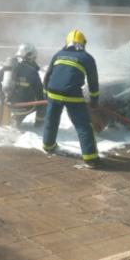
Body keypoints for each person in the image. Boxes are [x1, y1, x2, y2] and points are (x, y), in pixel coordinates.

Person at [42, 30, 101, 168]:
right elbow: (93, 82)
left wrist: (46, 95)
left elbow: (48, 76)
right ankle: (91, 158)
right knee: (83, 126)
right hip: (72, 95)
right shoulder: (87, 58)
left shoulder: (58, 54)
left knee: (51, 120)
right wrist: (94, 101)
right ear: (83, 43)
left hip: (53, 93)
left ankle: (48, 145)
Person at [0, 43, 45, 127]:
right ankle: (36, 123)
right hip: (25, 108)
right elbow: (40, 94)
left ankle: (12, 117)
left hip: (8, 104)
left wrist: (1, 95)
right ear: (30, 56)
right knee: (45, 98)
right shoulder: (32, 71)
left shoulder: (10, 65)